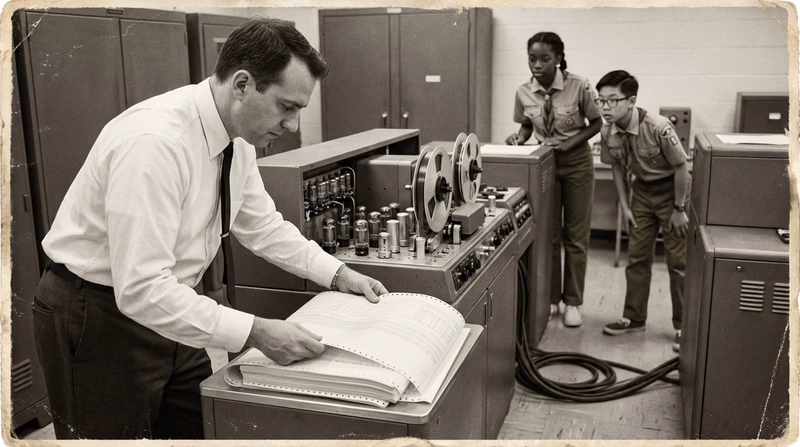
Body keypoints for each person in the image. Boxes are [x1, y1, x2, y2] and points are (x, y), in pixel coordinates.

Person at [31, 17, 388, 440]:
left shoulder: (237, 139)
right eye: (286, 106)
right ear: (241, 85)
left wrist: (337, 273)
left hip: (172, 304)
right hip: (97, 314)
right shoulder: (156, 143)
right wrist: (256, 332)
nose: (292, 125)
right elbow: (141, 288)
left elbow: (262, 226)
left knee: (201, 427)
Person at [505, 32, 602, 328]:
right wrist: (518, 139)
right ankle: (551, 298)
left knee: (576, 236)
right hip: (544, 164)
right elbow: (525, 126)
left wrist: (572, 143)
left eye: (545, 59)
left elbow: (596, 122)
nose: (537, 65)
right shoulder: (524, 91)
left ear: (558, 58)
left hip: (576, 165)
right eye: (532, 59)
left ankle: (573, 302)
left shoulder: (579, 85)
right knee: (548, 234)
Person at [595, 70, 690, 352]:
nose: (605, 108)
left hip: (672, 193)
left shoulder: (658, 127)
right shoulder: (606, 131)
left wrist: (679, 208)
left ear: (631, 100)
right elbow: (615, 167)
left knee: (678, 263)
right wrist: (624, 206)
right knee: (636, 258)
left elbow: (682, 167)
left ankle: (684, 326)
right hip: (641, 194)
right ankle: (634, 318)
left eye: (612, 101)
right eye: (601, 101)